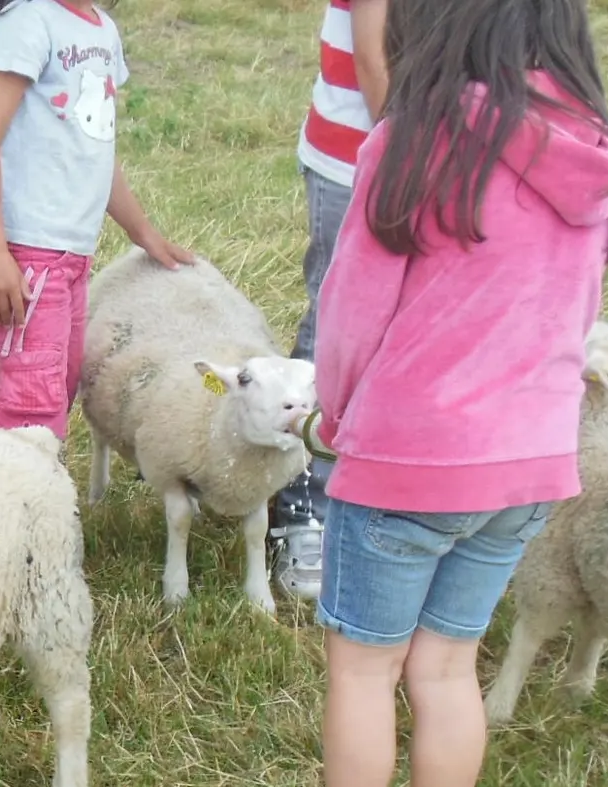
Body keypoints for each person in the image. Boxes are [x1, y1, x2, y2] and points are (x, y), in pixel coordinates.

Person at [270, 0, 608, 787]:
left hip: (407, 458)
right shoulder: (597, 156)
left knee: (363, 670)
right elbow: (578, 310)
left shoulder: (415, 143)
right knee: (447, 669)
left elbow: (349, 310)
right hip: (529, 468)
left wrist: (334, 416)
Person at [0, 0, 193, 444]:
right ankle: (11, 502)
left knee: (61, 385)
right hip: (29, 250)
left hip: (74, 254)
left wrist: (143, 233)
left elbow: (96, 147)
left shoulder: (102, 30)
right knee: (31, 406)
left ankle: (21, 483)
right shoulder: (28, 22)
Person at [269, 0, 390, 603]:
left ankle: (381, 493)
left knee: (407, 334)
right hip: (359, 158)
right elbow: (371, 53)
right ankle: (302, 504)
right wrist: (414, 160)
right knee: (334, 329)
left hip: (441, 159)